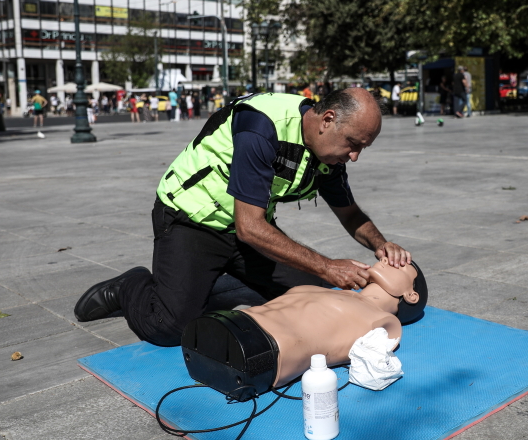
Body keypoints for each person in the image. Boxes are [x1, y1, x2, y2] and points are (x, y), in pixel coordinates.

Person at [73, 88, 413, 348]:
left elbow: (349, 212)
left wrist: (382, 245)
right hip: (191, 219)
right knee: (170, 327)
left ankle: (209, 277)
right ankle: (130, 285)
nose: (354, 157)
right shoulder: (262, 126)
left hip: (246, 228)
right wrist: (326, 265)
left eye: (362, 148)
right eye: (353, 144)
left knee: (314, 297)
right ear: (327, 120)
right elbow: (250, 228)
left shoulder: (329, 154)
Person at [198, 258, 426, 390]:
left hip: (261, 352)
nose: (388, 259)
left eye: (401, 265)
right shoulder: (341, 293)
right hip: (232, 324)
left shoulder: (385, 323)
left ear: (411, 295)